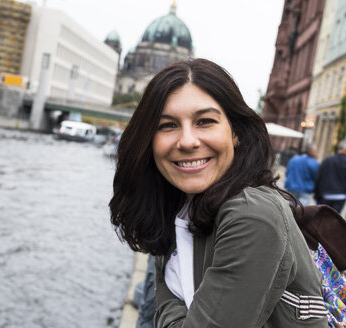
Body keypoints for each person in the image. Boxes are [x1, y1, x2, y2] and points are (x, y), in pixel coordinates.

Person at [110, 59, 326, 327]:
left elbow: (165, 303)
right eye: (168, 125)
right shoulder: (177, 205)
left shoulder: (252, 216)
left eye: (205, 121)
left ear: (236, 132)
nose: (188, 141)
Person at [314, 140, 346, 213]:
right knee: (334, 218)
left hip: (326, 193)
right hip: (340, 195)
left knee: (322, 216)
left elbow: (319, 177)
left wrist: (316, 193)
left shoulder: (327, 160)